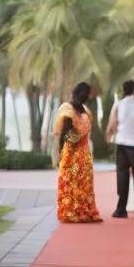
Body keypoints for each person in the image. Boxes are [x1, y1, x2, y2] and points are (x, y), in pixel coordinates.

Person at [54, 81, 102, 223]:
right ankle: (83, 212)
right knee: (81, 183)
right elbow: (66, 134)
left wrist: (62, 154)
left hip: (75, 154)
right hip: (80, 155)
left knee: (75, 182)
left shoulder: (73, 109)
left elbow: (65, 135)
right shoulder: (75, 110)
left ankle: (74, 212)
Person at [106, 80, 134, 218]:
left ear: (122, 90)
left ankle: (121, 209)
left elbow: (112, 124)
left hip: (122, 144)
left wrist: (108, 136)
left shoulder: (118, 105)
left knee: (122, 175)